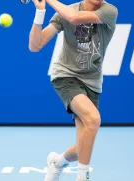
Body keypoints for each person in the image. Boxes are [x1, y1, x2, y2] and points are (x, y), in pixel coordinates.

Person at [28, 0, 118, 180]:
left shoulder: (109, 11)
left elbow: (74, 18)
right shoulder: (65, 12)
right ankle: (82, 177)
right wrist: (40, 12)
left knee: (81, 149)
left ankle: (57, 163)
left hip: (92, 82)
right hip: (66, 76)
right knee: (93, 119)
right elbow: (35, 46)